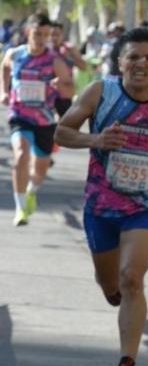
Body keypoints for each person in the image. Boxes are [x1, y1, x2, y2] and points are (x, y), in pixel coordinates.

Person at [54, 28, 148, 366]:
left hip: (146, 206)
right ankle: (113, 292)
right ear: (120, 62)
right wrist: (96, 140)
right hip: (102, 206)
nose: (141, 64)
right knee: (111, 284)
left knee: (133, 279)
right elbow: (62, 131)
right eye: (133, 57)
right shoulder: (101, 92)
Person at [0, 13, 72, 226]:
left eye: (46, 35)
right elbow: (4, 67)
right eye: (38, 33)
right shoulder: (15, 54)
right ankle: (20, 209)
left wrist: (62, 87)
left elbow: (70, 89)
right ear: (27, 32)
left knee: (39, 171)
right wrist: (4, 90)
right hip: (19, 116)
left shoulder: (55, 61)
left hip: (45, 121)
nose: (41, 39)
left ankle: (31, 191)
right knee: (21, 155)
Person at [50, 21, 88, 117]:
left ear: (62, 35)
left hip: (64, 94)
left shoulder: (69, 48)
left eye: (57, 34)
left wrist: (71, 56)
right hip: (47, 94)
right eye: (51, 35)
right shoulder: (44, 50)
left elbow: (83, 67)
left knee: (63, 123)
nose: (54, 38)